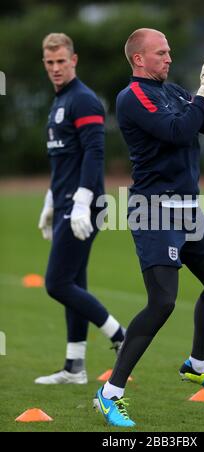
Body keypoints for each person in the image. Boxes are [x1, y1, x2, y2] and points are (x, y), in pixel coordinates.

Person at [94, 28, 204, 427]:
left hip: (189, 207)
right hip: (154, 209)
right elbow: (178, 131)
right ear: (139, 59)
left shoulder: (173, 91)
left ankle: (197, 364)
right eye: (161, 53)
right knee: (162, 302)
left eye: (170, 51)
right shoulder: (132, 97)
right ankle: (109, 394)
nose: (169, 58)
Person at [35, 33, 125, 385]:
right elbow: (64, 161)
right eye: (50, 63)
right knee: (74, 281)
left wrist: (82, 203)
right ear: (45, 63)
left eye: (61, 61)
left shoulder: (84, 100)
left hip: (83, 207)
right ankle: (75, 367)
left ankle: (121, 335)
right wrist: (50, 200)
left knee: (57, 283)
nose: (56, 68)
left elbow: (94, 154)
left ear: (74, 60)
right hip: (66, 204)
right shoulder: (59, 101)